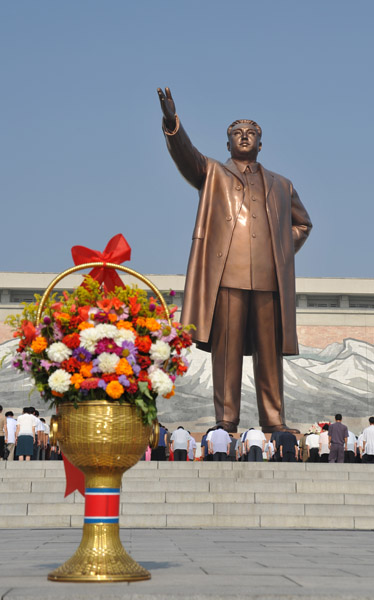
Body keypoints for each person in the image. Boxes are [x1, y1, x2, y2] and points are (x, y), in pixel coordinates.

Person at [157, 87, 312, 434]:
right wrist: (172, 123)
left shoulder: (281, 185)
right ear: (228, 144)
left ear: (261, 142)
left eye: (251, 133)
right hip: (227, 276)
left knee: (269, 356)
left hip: (270, 280)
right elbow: (187, 156)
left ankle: (274, 420)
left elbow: (303, 223)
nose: (244, 137)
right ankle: (226, 419)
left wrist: (282, 251)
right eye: (237, 134)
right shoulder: (212, 173)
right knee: (225, 354)